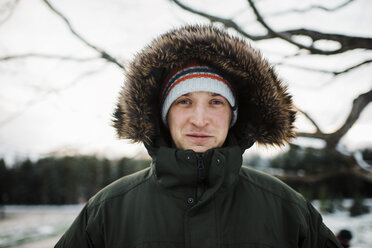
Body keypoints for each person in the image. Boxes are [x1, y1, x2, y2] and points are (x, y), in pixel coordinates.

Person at [55, 25, 342, 248]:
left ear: (234, 116)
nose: (200, 119)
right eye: (184, 101)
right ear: (165, 115)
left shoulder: (287, 208)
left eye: (216, 102)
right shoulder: (108, 210)